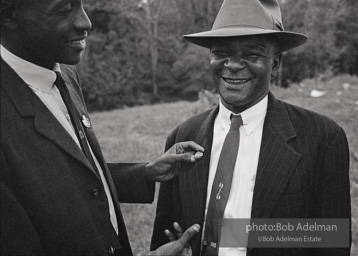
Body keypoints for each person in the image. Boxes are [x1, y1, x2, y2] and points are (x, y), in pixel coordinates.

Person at [0, 0, 204, 255]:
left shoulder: (65, 74)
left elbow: (62, 181)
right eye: (64, 9)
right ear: (9, 16)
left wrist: (146, 173)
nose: (86, 22)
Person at [151, 0, 351, 255]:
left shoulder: (323, 138)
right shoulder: (183, 136)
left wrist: (235, 234)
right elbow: (162, 239)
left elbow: (331, 238)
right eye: (221, 52)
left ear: (275, 63)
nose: (233, 64)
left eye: (251, 54)